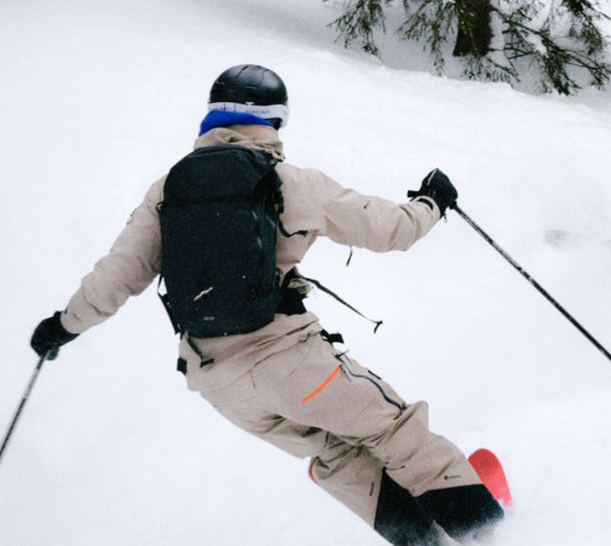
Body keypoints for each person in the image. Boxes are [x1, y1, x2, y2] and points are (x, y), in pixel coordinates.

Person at [29, 64, 503, 546]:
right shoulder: (289, 182)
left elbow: (117, 274)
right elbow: (391, 230)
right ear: (274, 121)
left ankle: (426, 540)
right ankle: (486, 531)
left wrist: (62, 326)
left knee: (335, 453)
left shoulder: (170, 189)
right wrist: (432, 202)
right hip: (292, 365)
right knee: (394, 428)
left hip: (218, 383)